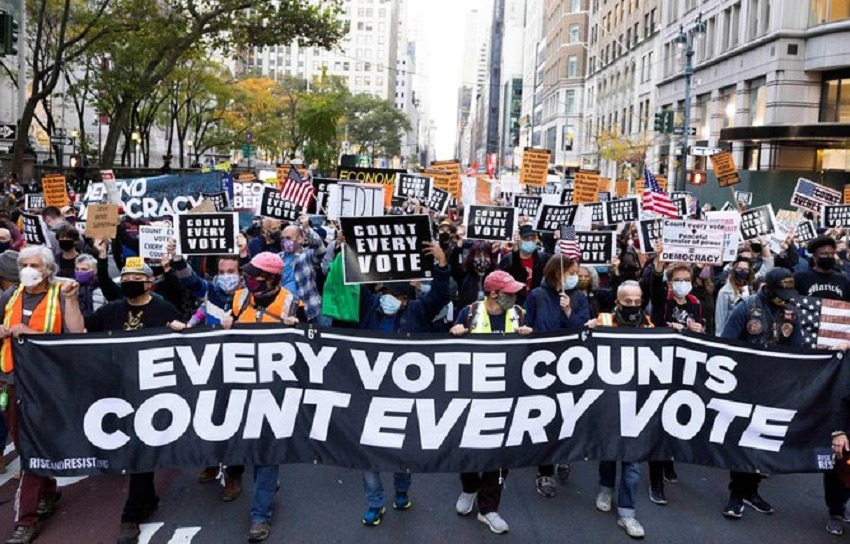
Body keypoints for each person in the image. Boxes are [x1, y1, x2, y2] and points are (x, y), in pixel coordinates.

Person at [84, 259, 183, 544]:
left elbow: (182, 345)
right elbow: (79, 334)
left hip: (151, 390)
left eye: (135, 277)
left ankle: (130, 516)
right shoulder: (111, 310)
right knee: (129, 448)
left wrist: (180, 330)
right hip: (116, 390)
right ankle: (147, 498)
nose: (129, 281)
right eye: (125, 277)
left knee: (141, 446)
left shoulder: (163, 309)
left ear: (149, 282)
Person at [354, 242, 449, 527]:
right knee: (369, 452)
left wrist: (442, 265)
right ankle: (374, 504)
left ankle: (402, 489)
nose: (388, 299)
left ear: (407, 300)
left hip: (407, 395)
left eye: (396, 295)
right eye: (385, 293)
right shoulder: (370, 309)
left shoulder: (419, 312)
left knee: (403, 450)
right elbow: (353, 284)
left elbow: (442, 295)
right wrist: (347, 250)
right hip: (371, 393)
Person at [0, 246, 85, 544]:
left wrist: (30, 333)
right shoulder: (10, 296)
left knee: (31, 449)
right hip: (11, 382)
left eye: (34, 264)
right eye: (24, 264)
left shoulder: (62, 294)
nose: (28, 269)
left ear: (48, 269)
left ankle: (26, 520)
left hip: (45, 384)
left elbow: (76, 335)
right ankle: (48, 491)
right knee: (27, 446)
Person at [217, 252, 298, 543]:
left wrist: (296, 328)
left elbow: (311, 342)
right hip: (240, 383)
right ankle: (246, 477)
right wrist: (224, 325)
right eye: (248, 274)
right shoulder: (238, 299)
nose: (248, 279)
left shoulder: (290, 301)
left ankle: (259, 515)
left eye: (255, 276)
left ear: (272, 279)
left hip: (273, 389)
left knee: (266, 450)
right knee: (241, 442)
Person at [450, 270, 532, 534]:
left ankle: (489, 508)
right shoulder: (470, 313)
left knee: (500, 455)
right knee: (470, 448)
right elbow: (449, 352)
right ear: (494, 293)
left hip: (507, 396)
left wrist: (530, 336)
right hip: (473, 395)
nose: (515, 295)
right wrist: (454, 334)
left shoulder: (519, 314)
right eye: (509, 292)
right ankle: (469, 487)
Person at [720, 268, 802, 520]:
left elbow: (797, 349)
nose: (784, 299)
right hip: (746, 384)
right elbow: (727, 343)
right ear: (766, 288)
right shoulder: (745, 307)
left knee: (764, 440)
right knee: (743, 438)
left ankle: (752, 491)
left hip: (775, 387)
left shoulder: (792, 310)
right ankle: (736, 494)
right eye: (779, 294)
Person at [587, 280, 650, 539]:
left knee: (633, 460)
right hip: (609, 400)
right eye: (628, 302)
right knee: (609, 450)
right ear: (617, 302)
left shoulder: (649, 326)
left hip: (639, 402)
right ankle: (605, 487)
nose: (633, 306)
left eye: (637, 301)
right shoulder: (601, 321)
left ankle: (627, 512)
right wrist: (586, 332)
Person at [524, 254, 589, 498]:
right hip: (543, 366)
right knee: (546, 419)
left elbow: (581, 330)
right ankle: (544, 472)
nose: (574, 277)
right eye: (570, 273)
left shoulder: (579, 299)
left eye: (576, 273)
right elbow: (529, 325)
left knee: (568, 416)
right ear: (555, 273)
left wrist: (569, 312)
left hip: (570, 367)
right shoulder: (537, 296)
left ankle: (565, 455)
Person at [647, 256, 705, 506]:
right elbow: (654, 294)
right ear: (669, 283)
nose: (683, 284)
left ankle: (670, 461)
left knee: (679, 417)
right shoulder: (664, 300)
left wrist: (699, 329)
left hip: (686, 366)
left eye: (686, 280)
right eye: (677, 280)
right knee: (661, 421)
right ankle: (655, 480)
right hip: (662, 366)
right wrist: (658, 264)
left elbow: (703, 328)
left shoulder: (694, 302)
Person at [278, 216, 333, 326]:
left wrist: (307, 228)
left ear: (300, 239)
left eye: (288, 238)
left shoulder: (308, 255)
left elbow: (320, 249)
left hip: (311, 308)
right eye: (283, 238)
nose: (285, 242)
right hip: (287, 311)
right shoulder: (277, 259)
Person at [498, 225, 548, 304]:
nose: (530, 242)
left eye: (533, 239)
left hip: (534, 302)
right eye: (526, 239)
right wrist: (515, 251)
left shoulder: (542, 258)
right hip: (514, 302)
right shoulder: (508, 259)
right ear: (519, 240)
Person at [795, 235, 850, 301]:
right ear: (815, 256)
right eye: (824, 254)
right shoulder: (800, 277)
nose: (829, 256)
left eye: (832, 254)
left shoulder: (842, 279)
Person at [715, 255, 754, 336]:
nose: (742, 271)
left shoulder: (751, 288)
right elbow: (720, 319)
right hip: (732, 334)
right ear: (734, 270)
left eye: (746, 269)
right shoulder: (725, 292)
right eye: (739, 268)